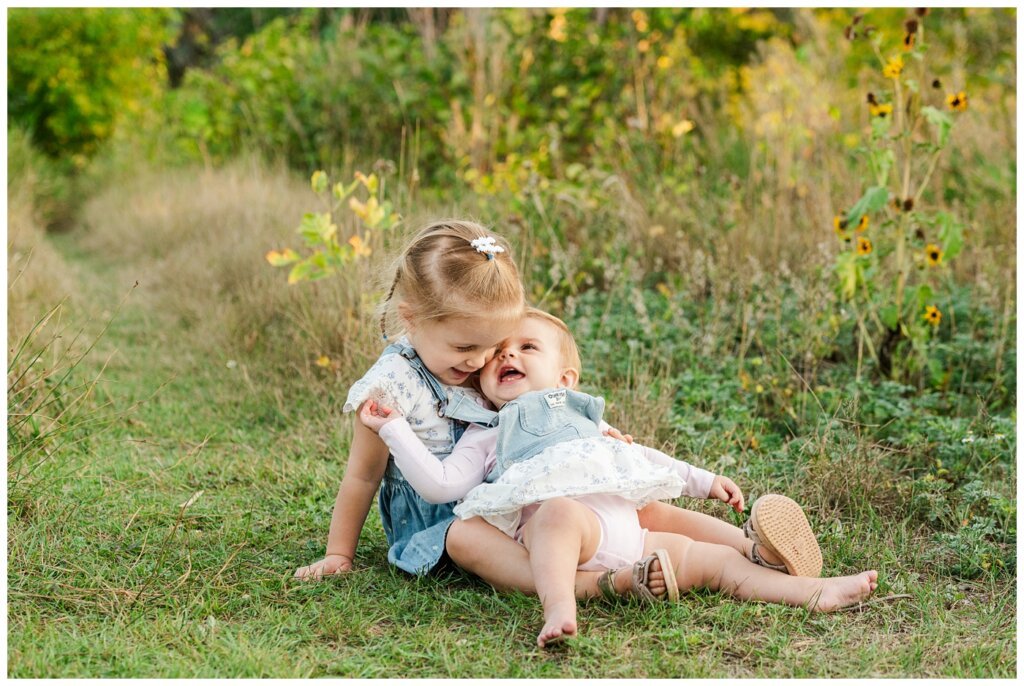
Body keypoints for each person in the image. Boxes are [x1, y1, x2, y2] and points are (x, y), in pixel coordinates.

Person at [294, 219, 824, 605]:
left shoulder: (486, 366)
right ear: (411, 320)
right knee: (464, 534)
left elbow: (537, 417)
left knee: (631, 503)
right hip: (450, 520)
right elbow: (362, 474)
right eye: (466, 350)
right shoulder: (390, 391)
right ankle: (603, 585)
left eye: (494, 345)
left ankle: (755, 549)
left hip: (527, 496)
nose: (483, 361)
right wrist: (341, 553)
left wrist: (592, 441)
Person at [360, 309, 879, 647]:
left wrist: (703, 479)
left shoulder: (586, 419)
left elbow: (643, 459)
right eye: (498, 354)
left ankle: (802, 584)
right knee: (553, 514)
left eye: (526, 348)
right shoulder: (487, 431)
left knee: (705, 556)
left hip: (637, 538)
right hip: (567, 537)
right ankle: (562, 602)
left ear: (565, 380)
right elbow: (442, 486)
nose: (508, 355)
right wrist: (394, 430)